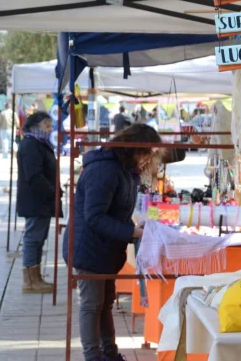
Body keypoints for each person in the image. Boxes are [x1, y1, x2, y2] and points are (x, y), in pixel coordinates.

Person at [63, 124, 162, 361]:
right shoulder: (105, 170)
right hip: (88, 248)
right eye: (147, 153)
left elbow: (117, 209)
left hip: (105, 250)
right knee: (91, 304)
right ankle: (93, 356)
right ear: (135, 149)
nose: (149, 159)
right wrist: (131, 232)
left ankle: (109, 353)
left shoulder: (125, 170)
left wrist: (133, 229)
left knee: (105, 302)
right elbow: (95, 216)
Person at [17, 111, 58, 294]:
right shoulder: (31, 144)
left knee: (39, 239)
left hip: (42, 199)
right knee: (33, 238)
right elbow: (34, 175)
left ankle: (36, 277)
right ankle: (30, 282)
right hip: (37, 200)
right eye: (46, 126)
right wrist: (52, 191)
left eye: (50, 126)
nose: (50, 130)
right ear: (35, 127)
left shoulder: (39, 143)